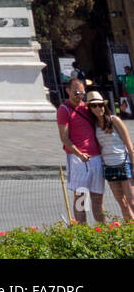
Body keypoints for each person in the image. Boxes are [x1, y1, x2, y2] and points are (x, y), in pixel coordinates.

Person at [57, 75, 104, 223]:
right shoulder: (64, 109)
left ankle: (102, 232)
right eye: (76, 93)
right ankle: (83, 232)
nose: (79, 96)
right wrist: (79, 153)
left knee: (97, 198)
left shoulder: (88, 107)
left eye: (82, 93)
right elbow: (64, 138)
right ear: (68, 91)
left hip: (95, 157)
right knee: (81, 199)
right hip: (78, 159)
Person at [88, 90, 134, 223]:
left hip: (123, 162)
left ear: (105, 105)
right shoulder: (94, 125)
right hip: (108, 166)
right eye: (94, 106)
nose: (98, 108)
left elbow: (129, 145)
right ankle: (129, 230)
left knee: (131, 201)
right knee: (122, 203)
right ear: (90, 109)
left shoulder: (115, 120)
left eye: (100, 105)